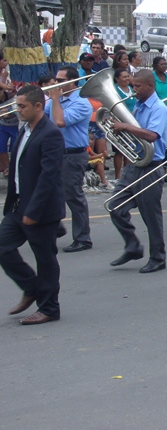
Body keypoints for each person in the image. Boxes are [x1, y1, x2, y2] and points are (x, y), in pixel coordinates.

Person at [0, 86, 65, 325]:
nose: (18, 110)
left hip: (40, 210)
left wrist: (33, 212)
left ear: (38, 106)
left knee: (45, 258)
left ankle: (49, 308)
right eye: (17, 105)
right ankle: (30, 287)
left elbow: (49, 177)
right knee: (3, 247)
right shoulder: (25, 129)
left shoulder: (50, 134)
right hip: (19, 206)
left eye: (22, 106)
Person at [107, 70, 167, 273]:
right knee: (115, 206)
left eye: (137, 86)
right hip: (134, 164)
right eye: (133, 86)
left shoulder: (158, 108)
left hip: (151, 167)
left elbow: (152, 135)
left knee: (150, 216)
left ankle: (158, 258)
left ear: (150, 86)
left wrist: (125, 127)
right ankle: (133, 245)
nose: (133, 90)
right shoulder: (139, 106)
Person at [45, 66, 93, 253]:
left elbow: (59, 122)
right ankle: (57, 227)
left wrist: (55, 98)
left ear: (72, 82)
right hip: (56, 153)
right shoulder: (56, 101)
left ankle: (83, 238)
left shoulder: (81, 103)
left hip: (73, 154)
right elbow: (44, 120)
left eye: (59, 80)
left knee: (73, 197)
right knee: (49, 192)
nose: (55, 83)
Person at [0, 51, 18, 177]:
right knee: (1, 147)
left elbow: (13, 89)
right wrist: (4, 80)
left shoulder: (13, 73)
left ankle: (12, 168)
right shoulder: (4, 75)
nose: (6, 63)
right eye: (4, 60)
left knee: (14, 147)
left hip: (15, 122)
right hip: (3, 121)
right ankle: (6, 168)